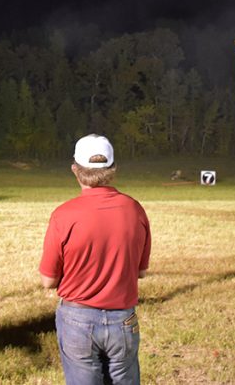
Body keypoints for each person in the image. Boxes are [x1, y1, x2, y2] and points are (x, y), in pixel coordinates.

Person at [39, 134, 151, 384]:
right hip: (123, 317)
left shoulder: (63, 215)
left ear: (75, 170)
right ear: (112, 170)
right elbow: (141, 271)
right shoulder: (135, 209)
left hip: (77, 319)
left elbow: (48, 280)